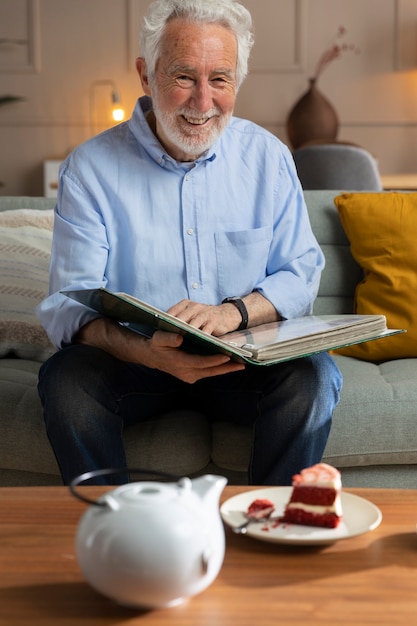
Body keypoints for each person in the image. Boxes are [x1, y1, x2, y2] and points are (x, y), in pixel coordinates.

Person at [36, 0, 342, 486]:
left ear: (236, 81)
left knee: (315, 377)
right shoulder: (90, 168)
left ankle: (267, 525)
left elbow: (300, 273)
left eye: (219, 79)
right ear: (146, 74)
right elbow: (67, 305)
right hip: (134, 363)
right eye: (183, 77)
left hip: (244, 361)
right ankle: (118, 531)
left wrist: (232, 313)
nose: (203, 103)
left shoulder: (268, 158)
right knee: (67, 380)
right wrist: (145, 352)